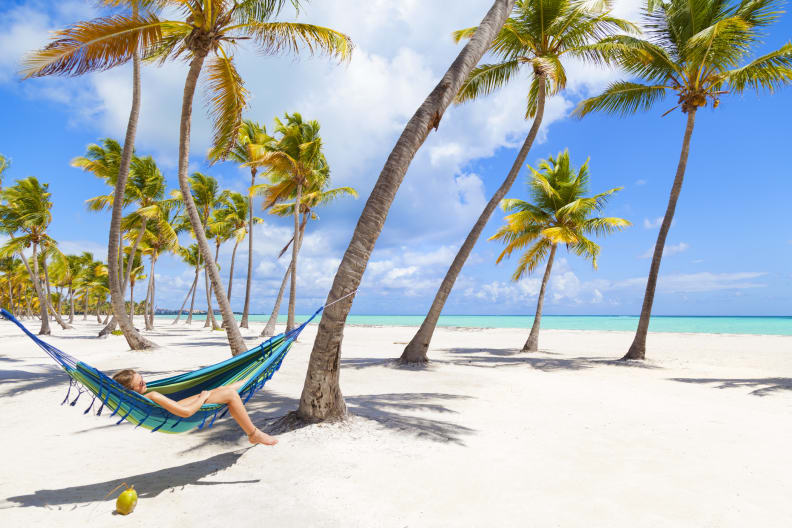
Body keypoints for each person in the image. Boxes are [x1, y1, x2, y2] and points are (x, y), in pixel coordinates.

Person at [112, 369, 277, 446]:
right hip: (181, 414)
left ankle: (259, 373)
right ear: (131, 390)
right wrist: (203, 397)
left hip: (180, 407)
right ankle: (253, 434)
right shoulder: (152, 395)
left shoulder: (140, 398)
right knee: (231, 395)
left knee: (226, 389)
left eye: (143, 378)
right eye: (141, 383)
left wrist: (203, 396)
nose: (145, 383)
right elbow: (187, 412)